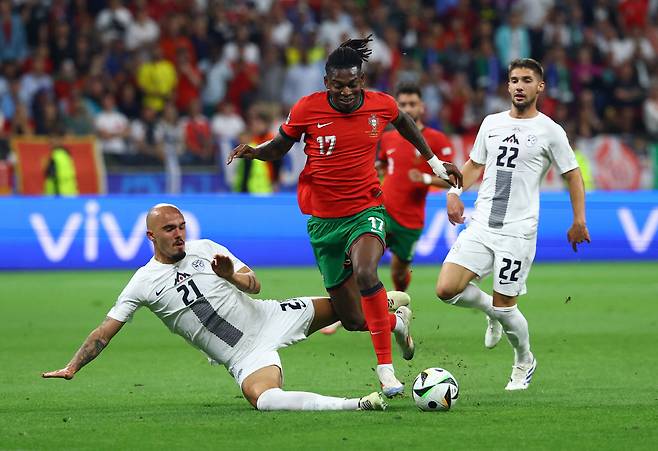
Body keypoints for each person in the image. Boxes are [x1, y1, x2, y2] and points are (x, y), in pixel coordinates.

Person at [228, 36, 462, 397]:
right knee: (353, 319)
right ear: (326, 83)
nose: (347, 91)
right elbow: (280, 145)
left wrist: (435, 163)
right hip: (324, 221)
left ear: (362, 81)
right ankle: (396, 321)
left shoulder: (380, 105)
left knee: (367, 271)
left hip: (366, 210)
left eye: (353, 84)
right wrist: (255, 153)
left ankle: (386, 371)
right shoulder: (307, 109)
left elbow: (405, 124)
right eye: (339, 85)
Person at [42, 204, 389, 412]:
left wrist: (233, 277)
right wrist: (72, 366)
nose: (178, 234)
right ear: (151, 237)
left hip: (270, 316)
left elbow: (254, 283)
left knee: (353, 314)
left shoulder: (205, 248)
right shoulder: (143, 282)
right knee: (265, 400)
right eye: (169, 229)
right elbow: (105, 332)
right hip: (243, 355)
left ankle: (394, 317)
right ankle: (355, 404)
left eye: (181, 226)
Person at [435, 58, 591, 390]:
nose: (519, 86)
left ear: (540, 87)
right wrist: (455, 191)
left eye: (526, 80)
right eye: (514, 80)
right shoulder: (491, 123)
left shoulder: (550, 131)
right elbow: (475, 165)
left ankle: (524, 360)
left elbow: (573, 176)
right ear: (507, 86)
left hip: (517, 231)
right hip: (481, 223)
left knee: (507, 305)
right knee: (446, 289)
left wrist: (579, 219)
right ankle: (491, 312)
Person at [378, 83, 455, 292]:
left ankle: (400, 304)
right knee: (361, 261)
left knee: (399, 272)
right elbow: (383, 165)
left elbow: (453, 179)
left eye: (412, 104)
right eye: (402, 104)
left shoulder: (437, 139)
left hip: (410, 219)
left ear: (422, 107)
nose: (408, 109)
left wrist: (425, 179)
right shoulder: (386, 138)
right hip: (383, 211)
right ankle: (344, 313)